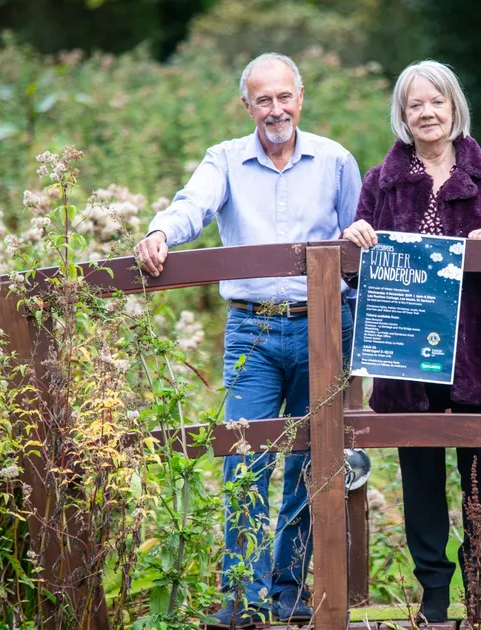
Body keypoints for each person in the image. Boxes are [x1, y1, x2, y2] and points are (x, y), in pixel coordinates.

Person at [134, 52, 360, 627]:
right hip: (252, 328)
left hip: (322, 326)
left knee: (311, 460)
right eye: (264, 99)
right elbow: (194, 205)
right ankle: (244, 597)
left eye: (284, 97)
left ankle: (289, 593)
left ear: (300, 98)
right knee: (243, 458)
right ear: (247, 106)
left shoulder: (335, 160)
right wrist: (161, 230)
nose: (276, 109)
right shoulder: (226, 160)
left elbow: (362, 234)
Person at [341, 60, 481, 624]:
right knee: (421, 481)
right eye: (414, 105)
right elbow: (356, 272)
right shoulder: (381, 181)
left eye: (436, 102)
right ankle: (433, 598)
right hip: (407, 360)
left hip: (479, 354)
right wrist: (356, 241)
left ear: (454, 106)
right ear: (402, 115)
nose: (426, 113)